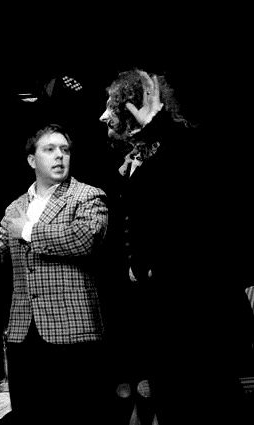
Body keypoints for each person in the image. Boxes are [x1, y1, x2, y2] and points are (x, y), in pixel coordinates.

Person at [98, 68, 252, 425]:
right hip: (163, 320)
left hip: (200, 318)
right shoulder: (136, 165)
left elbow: (192, 191)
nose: (103, 116)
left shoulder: (184, 153)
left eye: (110, 107)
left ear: (131, 108)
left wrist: (160, 127)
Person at [0, 123, 110, 425]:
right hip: (24, 334)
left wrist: (28, 231)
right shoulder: (16, 207)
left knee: (77, 416)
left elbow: (84, 238)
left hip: (72, 332)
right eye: (50, 149)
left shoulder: (87, 196)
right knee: (31, 417)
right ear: (32, 160)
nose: (60, 156)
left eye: (65, 150)